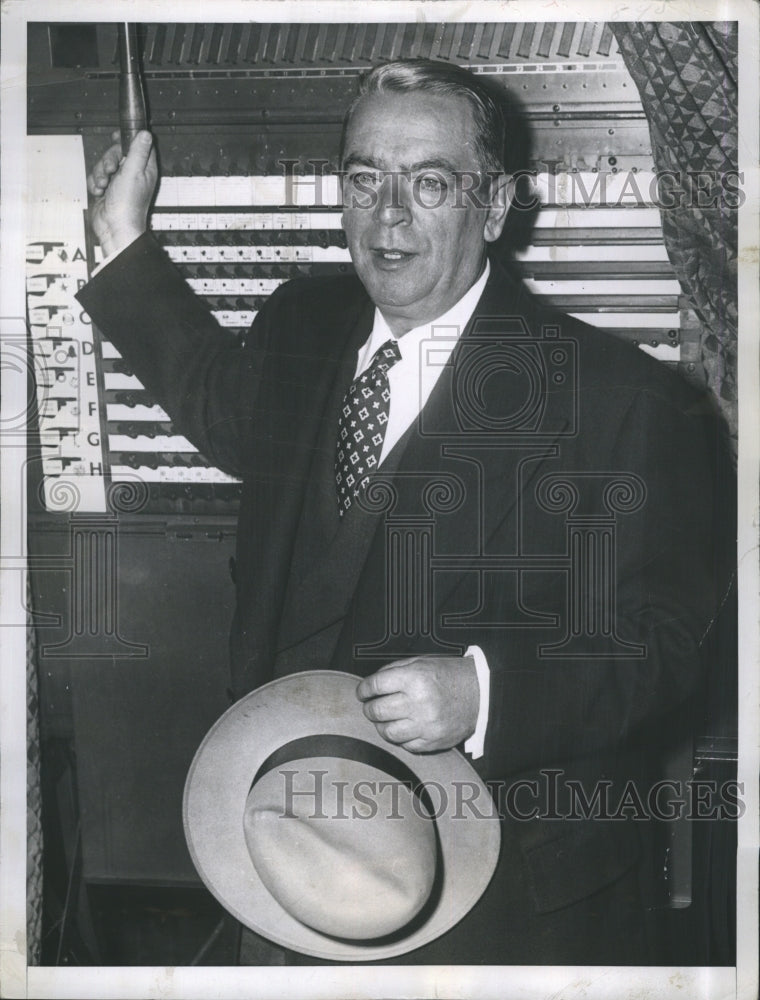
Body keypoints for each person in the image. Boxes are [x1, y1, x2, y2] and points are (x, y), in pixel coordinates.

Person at [76, 59, 734, 965]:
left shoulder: (623, 402)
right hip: (294, 864)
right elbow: (230, 410)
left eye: (428, 183)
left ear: (495, 206)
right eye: (363, 178)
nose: (387, 215)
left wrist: (487, 692)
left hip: (507, 909)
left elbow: (671, 646)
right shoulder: (304, 322)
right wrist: (122, 241)